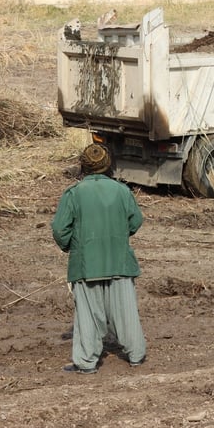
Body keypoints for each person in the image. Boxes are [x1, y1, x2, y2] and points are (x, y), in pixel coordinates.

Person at [52, 143, 146, 374]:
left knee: (88, 315)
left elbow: (59, 230)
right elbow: (135, 221)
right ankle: (136, 356)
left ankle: (86, 363)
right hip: (120, 261)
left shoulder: (74, 193)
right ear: (108, 165)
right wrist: (118, 239)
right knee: (126, 312)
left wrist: (73, 247)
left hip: (87, 265)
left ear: (84, 166)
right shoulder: (123, 191)